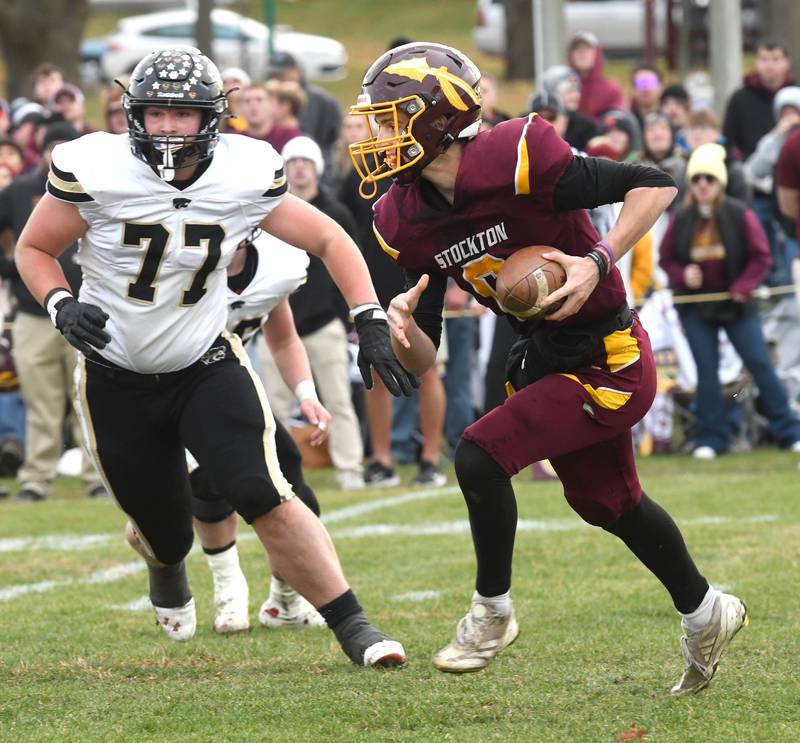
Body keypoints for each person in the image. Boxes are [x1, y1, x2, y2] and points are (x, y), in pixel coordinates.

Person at [348, 41, 747, 693]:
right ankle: (707, 611)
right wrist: (400, 331)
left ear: (438, 117)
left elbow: (655, 182)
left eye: (391, 118)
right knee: (609, 503)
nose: (379, 135)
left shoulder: (515, 154)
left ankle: (492, 612)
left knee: (479, 454)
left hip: (610, 354)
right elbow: (425, 355)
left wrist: (597, 261)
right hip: (544, 358)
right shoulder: (403, 216)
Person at [14, 47, 414, 668]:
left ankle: (356, 627)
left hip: (205, 358)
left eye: (181, 113)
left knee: (265, 490)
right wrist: (61, 301)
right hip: (114, 372)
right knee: (167, 531)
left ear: (213, 116)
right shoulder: (95, 166)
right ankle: (168, 566)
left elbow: (331, 237)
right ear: (133, 113)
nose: (167, 126)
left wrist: (370, 315)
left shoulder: (245, 171)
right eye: (154, 112)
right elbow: (34, 248)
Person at [189, 230, 329, 636]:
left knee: (291, 479)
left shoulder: (274, 265)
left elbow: (284, 338)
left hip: (227, 385)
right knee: (158, 523)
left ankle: (284, 600)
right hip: (169, 389)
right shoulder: (181, 259)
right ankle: (226, 586)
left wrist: (306, 394)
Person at [659, 143, 800, 459]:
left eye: (709, 178)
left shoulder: (740, 214)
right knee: (705, 370)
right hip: (696, 308)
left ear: (720, 182)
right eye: (697, 179)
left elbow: (761, 257)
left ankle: (790, 430)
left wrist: (743, 286)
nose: (703, 185)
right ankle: (711, 438)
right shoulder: (681, 219)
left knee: (760, 364)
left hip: (737, 306)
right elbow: (666, 259)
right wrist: (684, 274)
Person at [0, 121, 103, 501]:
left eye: (65, 145)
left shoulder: (95, 185)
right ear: (40, 151)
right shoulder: (18, 191)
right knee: (39, 402)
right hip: (32, 313)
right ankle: (36, 478)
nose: (57, 153)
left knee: (87, 398)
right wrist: (10, 267)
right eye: (51, 147)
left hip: (88, 309)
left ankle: (97, 477)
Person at [258, 136, 366, 490]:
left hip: (323, 325)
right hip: (274, 323)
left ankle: (350, 469)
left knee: (338, 401)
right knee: (269, 408)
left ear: (317, 167)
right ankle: (273, 474)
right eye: (293, 161)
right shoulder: (268, 212)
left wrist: (341, 313)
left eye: (306, 160)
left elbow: (350, 265)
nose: (300, 167)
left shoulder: (335, 214)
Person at [723, 39, 793, 161]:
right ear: (756, 63)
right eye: (764, 59)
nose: (769, 66)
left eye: (776, 59)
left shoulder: (796, 97)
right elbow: (729, 142)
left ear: (787, 62)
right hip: (749, 169)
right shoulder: (740, 99)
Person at [567, 32, 626, 123]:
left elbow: (617, 123)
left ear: (597, 54)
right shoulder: (563, 86)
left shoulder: (611, 90)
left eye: (587, 48)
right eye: (577, 48)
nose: (582, 52)